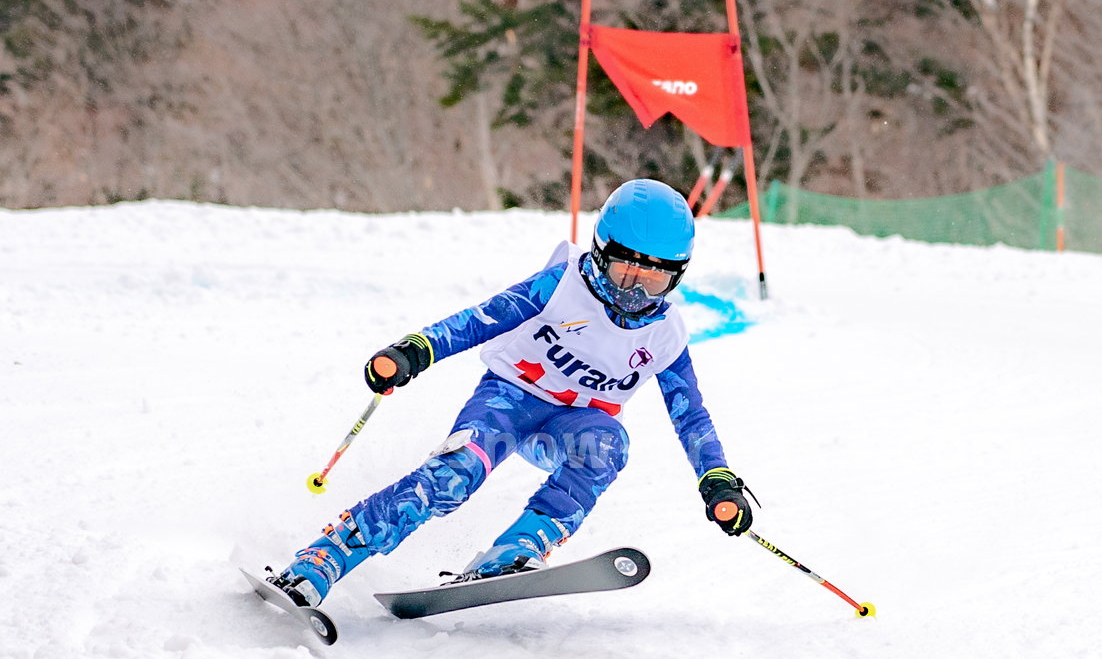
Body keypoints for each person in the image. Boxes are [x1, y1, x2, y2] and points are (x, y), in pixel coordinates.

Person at [268, 179, 754, 606]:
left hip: (571, 426)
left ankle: (516, 550)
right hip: (509, 402)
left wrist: (718, 480)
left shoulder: (665, 334)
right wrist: (413, 352)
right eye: (625, 271)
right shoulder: (563, 285)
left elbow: (691, 417)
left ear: (677, 275)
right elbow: (479, 320)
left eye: (654, 278)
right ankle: (321, 560)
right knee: (454, 476)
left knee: (607, 444)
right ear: (601, 252)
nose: (633, 293)